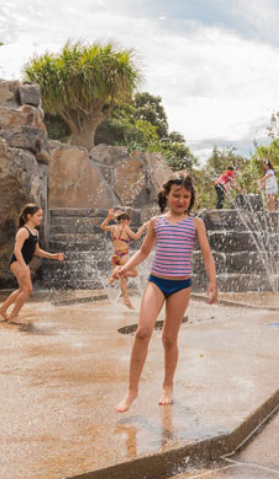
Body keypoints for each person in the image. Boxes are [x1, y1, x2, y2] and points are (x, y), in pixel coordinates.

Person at [113, 173, 218, 412]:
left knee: (169, 338)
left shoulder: (195, 224)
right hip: (157, 283)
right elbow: (143, 252)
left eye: (186, 196)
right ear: (167, 196)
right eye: (176, 195)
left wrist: (213, 282)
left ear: (191, 198)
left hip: (181, 286)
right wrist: (125, 268)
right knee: (143, 331)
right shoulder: (156, 222)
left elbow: (206, 254)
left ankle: (167, 385)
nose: (181, 200)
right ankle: (132, 391)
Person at [0, 204, 65, 324]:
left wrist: (53, 256)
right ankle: (13, 316)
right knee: (28, 289)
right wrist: (23, 267)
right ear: (29, 216)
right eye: (38, 215)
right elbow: (17, 250)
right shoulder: (23, 231)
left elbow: (37, 251)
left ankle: (2, 309)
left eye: (41, 215)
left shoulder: (35, 232)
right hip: (17, 262)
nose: (41, 218)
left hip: (22, 263)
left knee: (22, 289)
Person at [100, 208, 149, 309]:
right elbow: (136, 236)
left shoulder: (113, 227)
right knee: (134, 273)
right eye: (129, 222)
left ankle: (126, 300)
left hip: (115, 257)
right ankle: (118, 273)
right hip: (123, 256)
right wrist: (143, 227)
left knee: (123, 280)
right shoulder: (125, 227)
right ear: (126, 221)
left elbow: (102, 226)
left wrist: (108, 217)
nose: (129, 224)